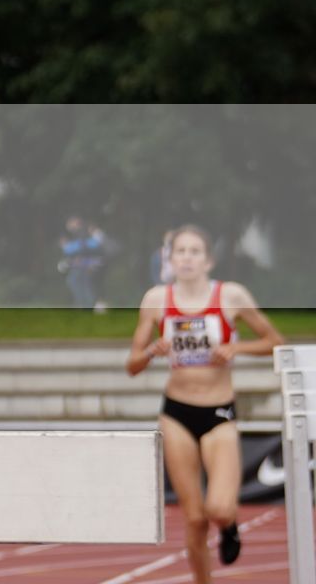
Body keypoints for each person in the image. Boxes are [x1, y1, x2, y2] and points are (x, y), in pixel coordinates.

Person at [127, 224, 284, 582]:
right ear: (170, 259)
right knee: (194, 517)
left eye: (194, 251)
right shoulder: (156, 301)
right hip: (177, 412)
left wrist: (235, 347)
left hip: (218, 412)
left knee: (218, 507)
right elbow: (132, 365)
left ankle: (229, 525)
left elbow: (274, 340)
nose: (187, 258)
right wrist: (153, 350)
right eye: (180, 251)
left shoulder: (231, 296)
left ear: (209, 260)